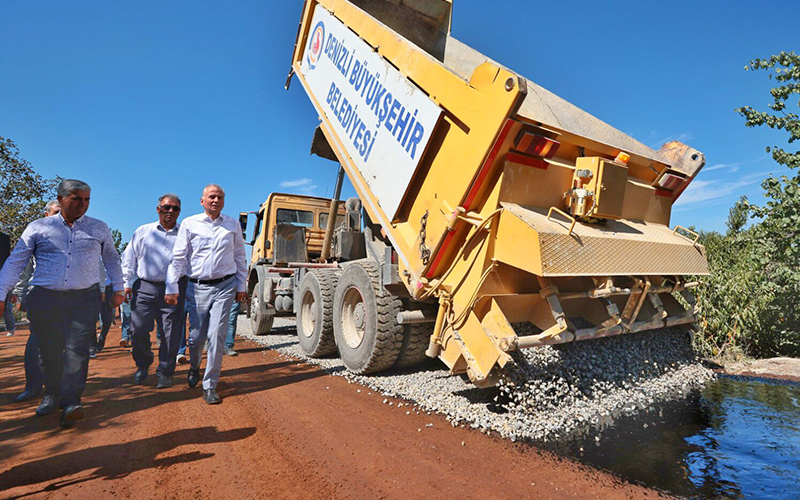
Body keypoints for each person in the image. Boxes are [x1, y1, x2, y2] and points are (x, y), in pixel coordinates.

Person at [0, 179, 124, 427]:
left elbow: (111, 259)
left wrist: (119, 287)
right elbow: (15, 262)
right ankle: (51, 394)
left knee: (77, 350)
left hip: (84, 298)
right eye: (76, 199)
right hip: (46, 298)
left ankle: (71, 402)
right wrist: (1, 293)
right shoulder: (38, 228)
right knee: (48, 351)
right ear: (61, 198)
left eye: (87, 200)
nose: (82, 204)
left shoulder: (98, 228)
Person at [166, 184, 247, 404]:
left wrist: (242, 286)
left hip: (225, 286)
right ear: (202, 201)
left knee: (217, 334)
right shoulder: (190, 224)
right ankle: (194, 366)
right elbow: (179, 257)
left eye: (220, 197)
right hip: (197, 286)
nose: (215, 200)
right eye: (211, 196)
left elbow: (240, 256)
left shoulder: (232, 225)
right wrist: (171, 286)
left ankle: (210, 385)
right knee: (197, 336)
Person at [121, 194, 186, 388]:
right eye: (166, 207)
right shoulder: (143, 231)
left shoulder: (185, 233)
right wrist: (125, 283)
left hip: (174, 288)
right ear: (158, 209)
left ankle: (165, 371)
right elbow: (129, 258)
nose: (170, 212)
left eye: (175, 209)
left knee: (170, 332)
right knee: (138, 329)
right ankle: (143, 364)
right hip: (145, 287)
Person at [12, 200, 61, 403]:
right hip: (40, 295)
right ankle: (33, 387)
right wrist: (20, 294)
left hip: (71, 298)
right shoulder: (36, 233)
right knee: (37, 341)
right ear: (47, 214)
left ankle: (60, 388)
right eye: (56, 212)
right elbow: (23, 268)